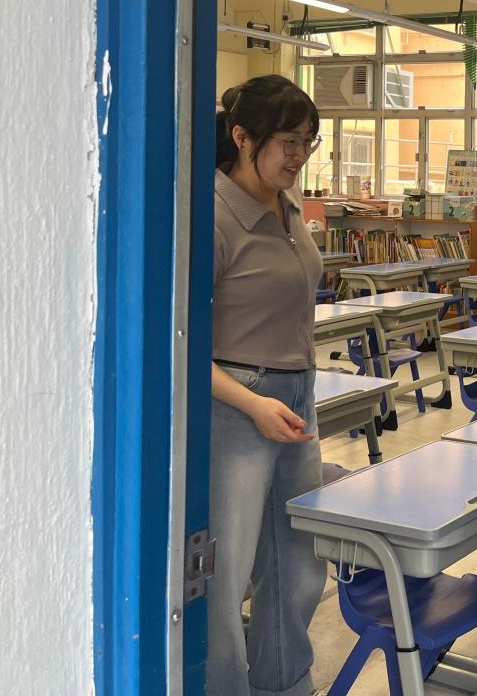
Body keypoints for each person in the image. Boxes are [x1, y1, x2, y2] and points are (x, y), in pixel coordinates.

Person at [207, 75, 328, 696]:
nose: (299, 155)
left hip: (297, 395)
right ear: (241, 136)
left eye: (308, 142)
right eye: (288, 142)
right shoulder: (213, 215)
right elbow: (179, 345)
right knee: (224, 573)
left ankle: (284, 684)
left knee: (298, 561)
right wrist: (254, 404)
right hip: (237, 405)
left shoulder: (289, 206)